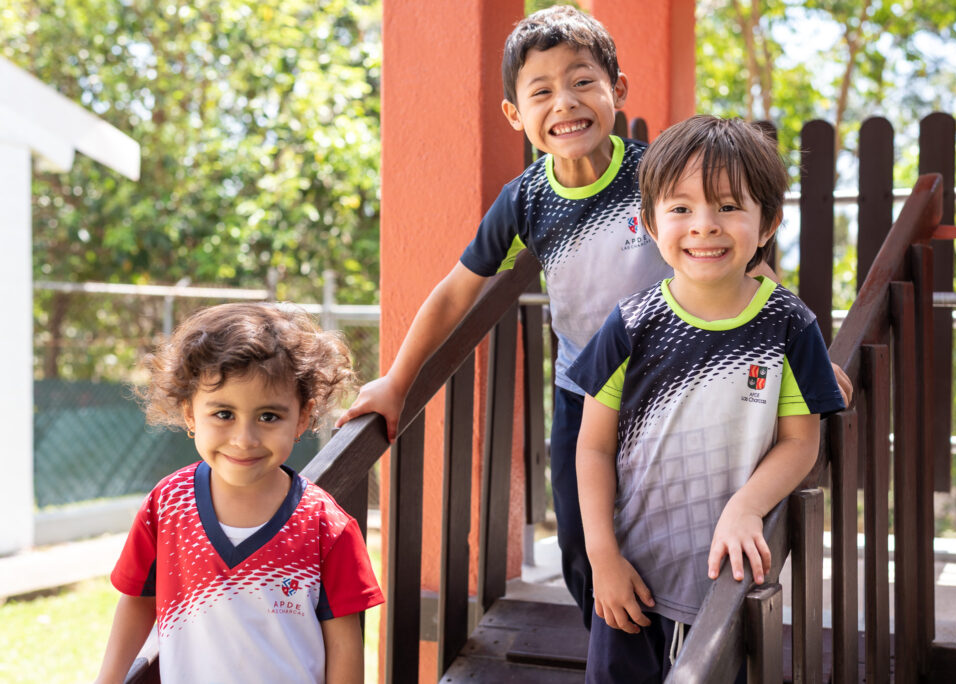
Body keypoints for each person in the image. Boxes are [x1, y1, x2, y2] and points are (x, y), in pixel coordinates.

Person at [337, 5, 850, 630]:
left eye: (583, 81)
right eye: (542, 92)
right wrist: (397, 381)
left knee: (673, 528)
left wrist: (807, 354)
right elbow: (454, 293)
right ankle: (608, 638)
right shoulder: (526, 199)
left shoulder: (655, 175)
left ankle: (682, 645)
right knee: (583, 540)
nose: (566, 103)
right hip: (586, 391)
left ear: (617, 90)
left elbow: (747, 264)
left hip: (675, 385)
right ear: (515, 115)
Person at [567, 115, 846, 682]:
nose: (704, 226)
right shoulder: (631, 325)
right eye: (681, 208)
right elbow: (593, 447)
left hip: (729, 582)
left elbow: (801, 441)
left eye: (728, 206)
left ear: (768, 223)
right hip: (633, 576)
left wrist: (746, 506)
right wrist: (602, 555)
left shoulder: (788, 325)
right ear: (650, 223)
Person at [96, 303, 383, 684]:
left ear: (302, 416)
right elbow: (138, 601)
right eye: (224, 414)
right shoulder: (167, 505)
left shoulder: (326, 526)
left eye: (268, 417)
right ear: (189, 413)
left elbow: (345, 644)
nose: (244, 440)